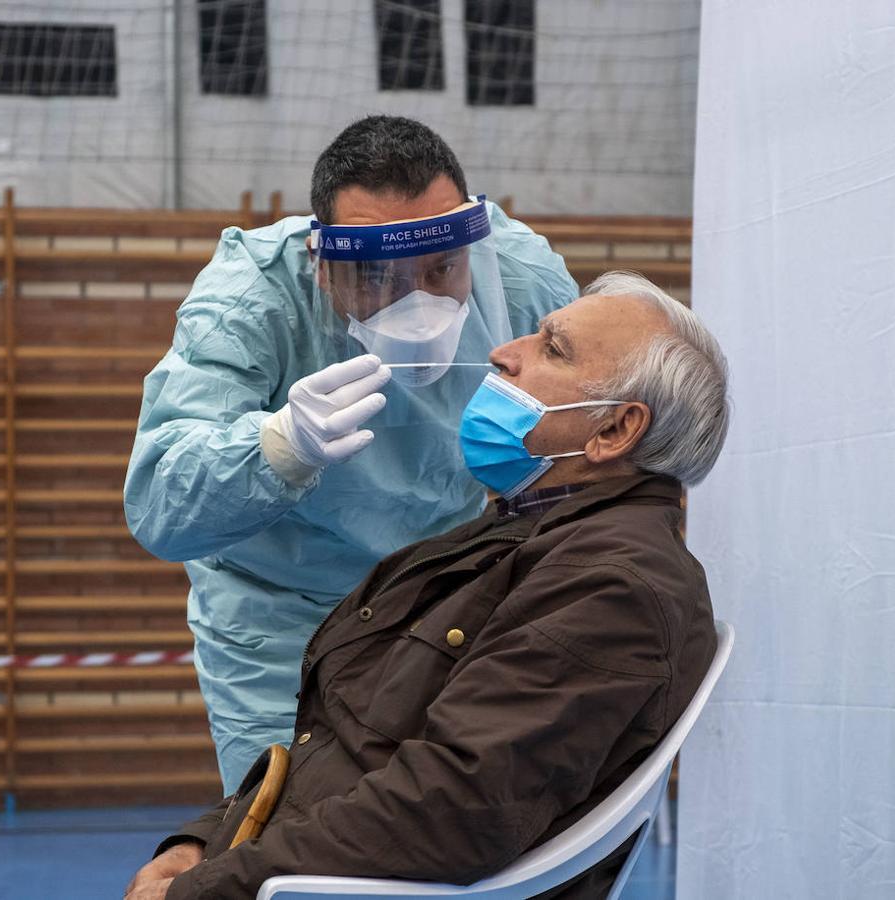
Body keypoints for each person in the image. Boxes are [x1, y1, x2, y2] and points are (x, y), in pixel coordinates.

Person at [123, 271, 731, 900]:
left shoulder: (610, 584)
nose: (505, 352)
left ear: (613, 431)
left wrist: (206, 886)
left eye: (552, 347)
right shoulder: (527, 534)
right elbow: (343, 748)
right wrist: (202, 841)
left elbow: (446, 807)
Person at [123, 116, 579, 788]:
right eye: (377, 277)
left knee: (456, 826)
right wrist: (279, 447)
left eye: (440, 268)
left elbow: (597, 449)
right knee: (284, 834)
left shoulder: (522, 282)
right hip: (281, 618)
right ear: (321, 263)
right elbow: (161, 503)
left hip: (451, 595)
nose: (415, 304)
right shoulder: (253, 299)